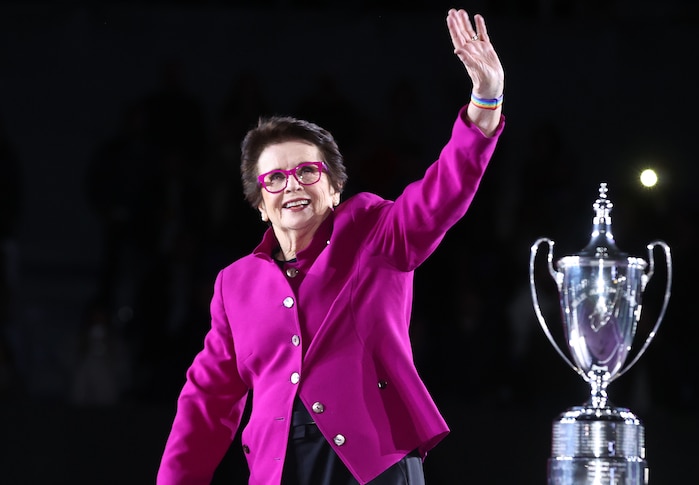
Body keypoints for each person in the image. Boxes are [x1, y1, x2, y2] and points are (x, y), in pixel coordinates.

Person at [157, 8, 505, 485]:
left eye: (307, 171)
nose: (292, 185)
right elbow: (206, 401)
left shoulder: (374, 230)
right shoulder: (234, 285)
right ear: (260, 204)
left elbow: (441, 196)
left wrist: (485, 101)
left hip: (373, 463)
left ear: (334, 187)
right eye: (274, 178)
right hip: (279, 470)